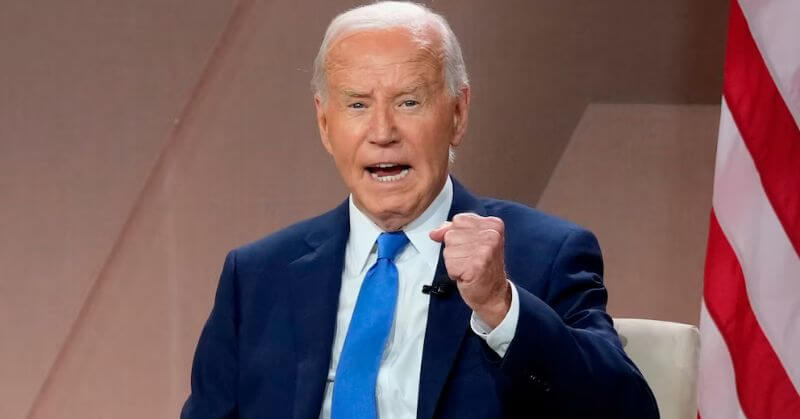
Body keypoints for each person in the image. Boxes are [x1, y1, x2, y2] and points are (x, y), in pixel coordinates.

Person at [181, 2, 659, 418]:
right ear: (325, 124)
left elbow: (627, 410)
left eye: (408, 102)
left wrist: (500, 307)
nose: (382, 132)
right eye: (357, 105)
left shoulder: (546, 256)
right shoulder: (257, 277)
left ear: (458, 114)